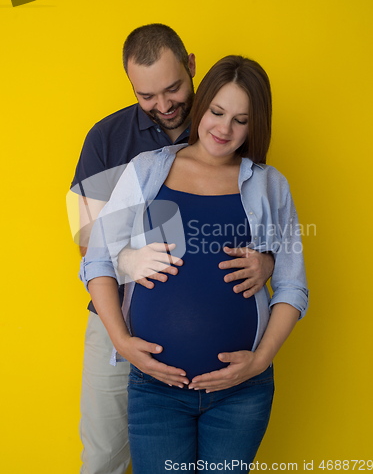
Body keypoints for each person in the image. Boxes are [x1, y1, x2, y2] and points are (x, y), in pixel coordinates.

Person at [80, 55, 308, 473]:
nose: (224, 129)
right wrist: (123, 342)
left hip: (242, 392)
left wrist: (258, 363)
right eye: (217, 112)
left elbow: (294, 287)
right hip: (156, 390)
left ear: (256, 124)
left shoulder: (271, 185)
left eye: (241, 119)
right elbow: (96, 259)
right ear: (203, 106)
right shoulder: (146, 169)